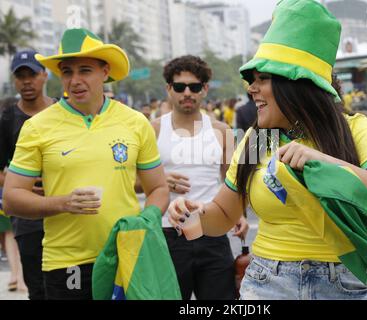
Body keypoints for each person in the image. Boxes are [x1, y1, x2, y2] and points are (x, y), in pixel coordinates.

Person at [168, 0, 367, 300]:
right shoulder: (258, 139)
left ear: (298, 84)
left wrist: (326, 163)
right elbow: (222, 215)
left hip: (345, 285)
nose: (251, 89)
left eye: (263, 79)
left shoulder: (353, 130)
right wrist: (195, 213)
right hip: (265, 284)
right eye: (251, 80)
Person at [2, 28, 169, 300]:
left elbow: (159, 188)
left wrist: (145, 221)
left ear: (105, 72)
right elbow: (11, 199)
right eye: (67, 72)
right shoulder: (37, 127)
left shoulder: (136, 122)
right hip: (67, 263)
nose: (75, 80)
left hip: (124, 257)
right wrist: (63, 203)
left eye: (85, 70)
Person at [152, 55, 248, 300]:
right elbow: (131, 181)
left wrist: (239, 216)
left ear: (204, 89)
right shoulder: (152, 129)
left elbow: (232, 182)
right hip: (167, 234)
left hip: (212, 232)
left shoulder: (221, 130)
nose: (187, 93)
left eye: (194, 87)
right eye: (179, 86)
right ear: (168, 89)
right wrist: (160, 180)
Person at [0, 50, 55, 299]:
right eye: (20, 76)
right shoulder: (7, 118)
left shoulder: (63, 111)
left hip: (67, 216)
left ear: (44, 75)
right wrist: (22, 187)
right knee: (38, 288)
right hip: (28, 220)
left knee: (72, 286)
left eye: (31, 74)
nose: (26, 81)